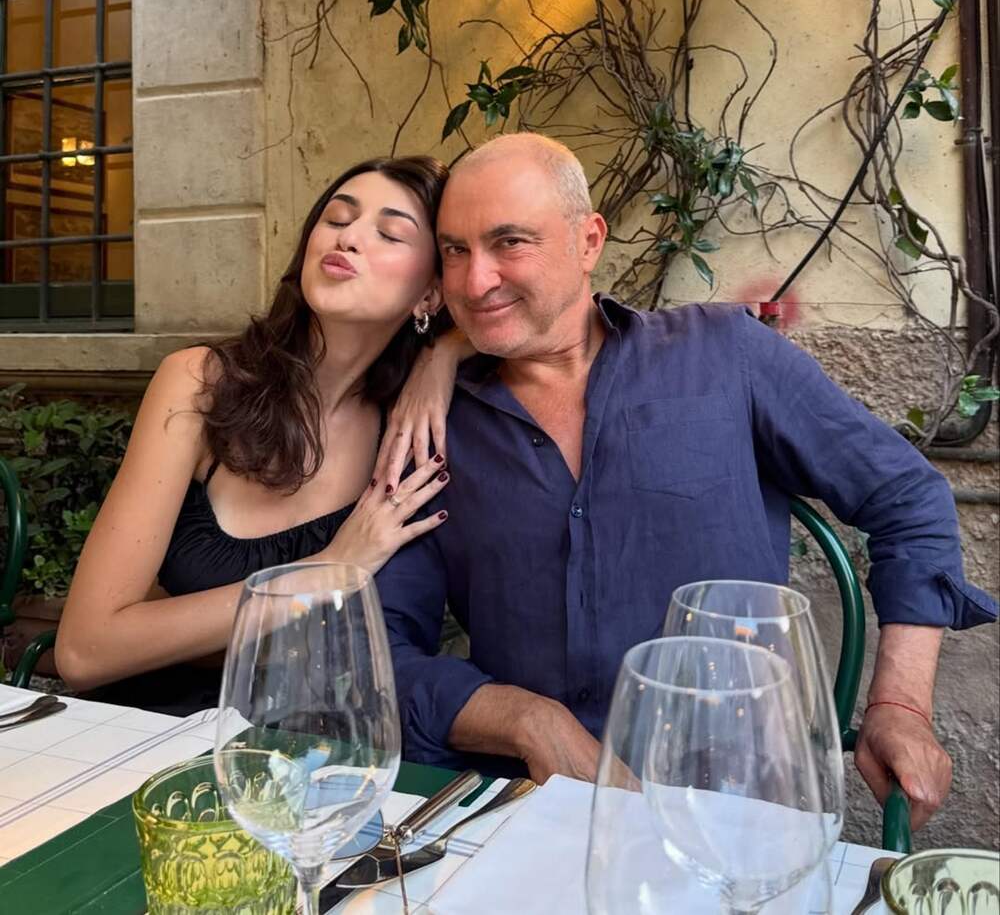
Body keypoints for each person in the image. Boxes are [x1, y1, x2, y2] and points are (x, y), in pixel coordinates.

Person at [376, 132, 998, 831]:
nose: (474, 281)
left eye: (509, 242)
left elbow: (906, 497)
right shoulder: (429, 429)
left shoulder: (725, 356)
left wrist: (900, 704)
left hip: (738, 806)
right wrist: (526, 719)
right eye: (455, 250)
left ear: (588, 241)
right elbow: (381, 650)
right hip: (527, 815)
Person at [56, 156, 457, 714]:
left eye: (389, 234)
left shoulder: (414, 427)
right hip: (147, 734)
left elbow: (547, 315)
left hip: (315, 746)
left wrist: (445, 352)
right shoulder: (200, 383)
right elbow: (84, 650)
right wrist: (327, 570)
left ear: (430, 294)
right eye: (337, 219)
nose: (348, 238)